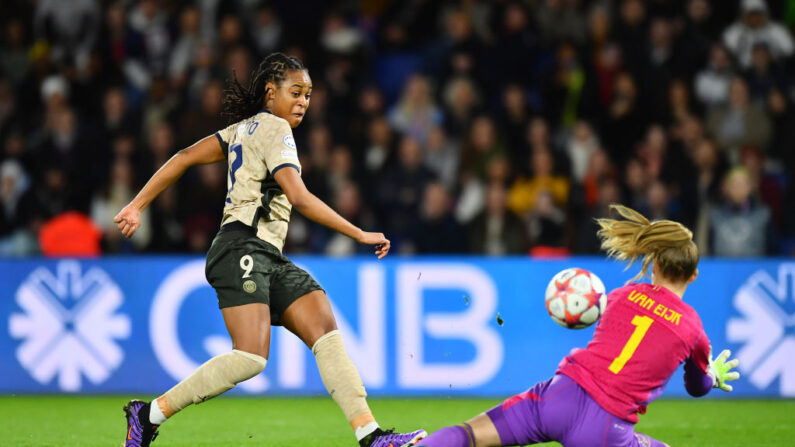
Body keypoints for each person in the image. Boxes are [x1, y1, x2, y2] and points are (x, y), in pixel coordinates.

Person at [114, 52, 426, 447]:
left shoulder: (239, 130)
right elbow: (300, 197)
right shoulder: (276, 129)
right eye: (295, 92)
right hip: (240, 247)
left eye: (309, 95)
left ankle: (371, 435)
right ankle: (148, 414)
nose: (303, 102)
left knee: (324, 329)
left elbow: (182, 157)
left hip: (266, 255)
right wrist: (358, 232)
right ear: (270, 91)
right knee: (251, 357)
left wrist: (136, 204)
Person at [418, 204, 740, 447]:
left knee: (471, 435)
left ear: (653, 264)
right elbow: (696, 386)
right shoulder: (692, 328)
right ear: (694, 275)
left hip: (559, 395)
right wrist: (711, 375)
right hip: (605, 429)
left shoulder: (621, 295)